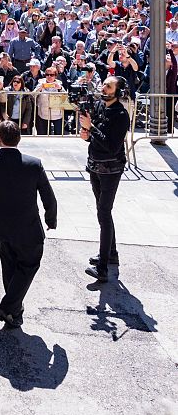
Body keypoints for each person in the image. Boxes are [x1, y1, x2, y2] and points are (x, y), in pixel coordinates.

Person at [0, 120, 57, 329]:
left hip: (2, 226)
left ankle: (14, 312)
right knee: (28, 266)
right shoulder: (33, 164)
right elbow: (48, 196)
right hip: (28, 226)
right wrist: (50, 219)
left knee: (9, 269)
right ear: (19, 139)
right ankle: (9, 307)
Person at [79, 75, 130, 283]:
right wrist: (88, 134)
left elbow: (111, 145)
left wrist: (91, 129)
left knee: (104, 213)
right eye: (104, 84)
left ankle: (102, 268)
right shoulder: (100, 106)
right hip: (95, 165)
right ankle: (111, 254)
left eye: (108, 86)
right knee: (102, 211)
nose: (104, 88)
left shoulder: (121, 114)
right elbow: (96, 135)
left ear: (117, 92)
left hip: (111, 168)